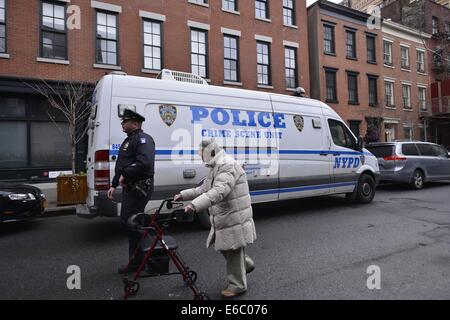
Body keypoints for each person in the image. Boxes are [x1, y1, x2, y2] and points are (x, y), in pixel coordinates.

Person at [174, 139, 256, 299]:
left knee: (232, 248)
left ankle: (237, 286)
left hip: (234, 216)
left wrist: (194, 205)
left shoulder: (227, 165)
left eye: (202, 154)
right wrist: (184, 195)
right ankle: (245, 264)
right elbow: (204, 188)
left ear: (211, 152)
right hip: (227, 215)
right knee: (228, 247)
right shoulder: (216, 166)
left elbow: (219, 191)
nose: (200, 157)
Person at [107, 109, 155, 274]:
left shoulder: (143, 139)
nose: (122, 123)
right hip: (130, 188)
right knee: (131, 223)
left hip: (139, 188)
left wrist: (126, 174)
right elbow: (121, 165)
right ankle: (141, 259)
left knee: (131, 223)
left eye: (125, 121)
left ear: (135, 123)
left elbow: (144, 162)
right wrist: (114, 184)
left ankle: (145, 257)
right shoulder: (128, 141)